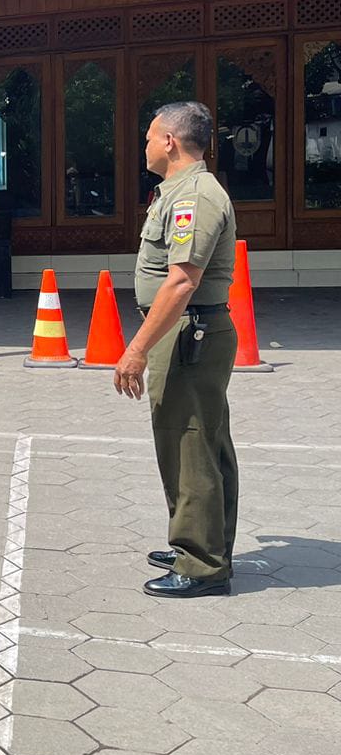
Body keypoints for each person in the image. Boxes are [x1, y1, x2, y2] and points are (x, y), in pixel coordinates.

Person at [115, 101, 239, 599]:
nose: (144, 145)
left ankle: (203, 563)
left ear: (170, 141)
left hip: (189, 335)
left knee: (190, 444)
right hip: (186, 333)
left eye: (149, 136)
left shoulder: (195, 198)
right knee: (195, 441)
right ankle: (201, 541)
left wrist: (137, 349)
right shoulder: (178, 193)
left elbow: (182, 281)